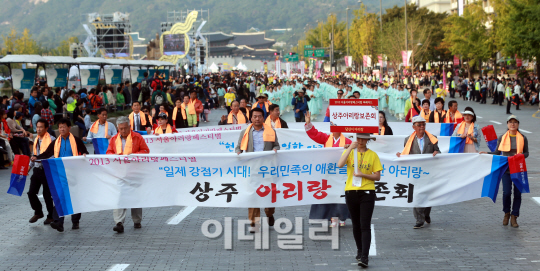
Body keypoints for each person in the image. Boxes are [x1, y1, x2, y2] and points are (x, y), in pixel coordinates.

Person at [33, 118, 88, 232]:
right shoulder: (56, 142)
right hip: (61, 173)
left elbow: (85, 152)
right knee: (60, 196)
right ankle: (59, 222)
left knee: (74, 197)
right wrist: (37, 157)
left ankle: (75, 221)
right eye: (60, 127)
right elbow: (47, 153)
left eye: (64, 127)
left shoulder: (76, 140)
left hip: (74, 173)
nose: (62, 129)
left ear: (69, 128)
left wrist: (84, 154)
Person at [337, 133, 382, 268]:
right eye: (358, 138)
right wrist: (350, 148)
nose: (361, 141)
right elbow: (340, 164)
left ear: (368, 140)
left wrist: (363, 175)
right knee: (356, 224)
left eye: (364, 139)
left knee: (365, 224)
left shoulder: (372, 155)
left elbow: (377, 176)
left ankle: (365, 257)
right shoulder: (350, 151)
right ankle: (359, 249)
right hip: (351, 191)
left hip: (367, 192)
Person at [235, 108, 279, 233]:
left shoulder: (271, 131)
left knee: (269, 193)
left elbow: (277, 145)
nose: (257, 119)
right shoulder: (245, 132)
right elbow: (238, 147)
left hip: (267, 168)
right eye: (255, 116)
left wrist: (275, 149)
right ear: (251, 118)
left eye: (259, 116)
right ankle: (254, 222)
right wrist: (238, 152)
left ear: (263, 117)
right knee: (252, 194)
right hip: (252, 168)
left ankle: (269, 213)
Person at [480, 115, 529, 228]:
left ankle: (514, 216)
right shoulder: (502, 137)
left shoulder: (523, 138)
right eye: (510, 122)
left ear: (518, 124)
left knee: (517, 194)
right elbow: (497, 152)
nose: (513, 124)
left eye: (515, 122)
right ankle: (506, 213)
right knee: (506, 193)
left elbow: (527, 153)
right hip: (506, 169)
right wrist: (486, 154)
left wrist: (520, 156)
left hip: (518, 169)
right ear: (507, 124)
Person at [305, 111, 351, 227]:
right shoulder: (326, 138)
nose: (334, 128)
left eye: (337, 126)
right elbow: (314, 134)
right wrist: (308, 123)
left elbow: (354, 152)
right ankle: (332, 217)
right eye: (333, 126)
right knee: (330, 195)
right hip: (329, 173)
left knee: (341, 195)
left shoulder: (348, 141)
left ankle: (342, 217)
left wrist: (349, 148)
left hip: (342, 173)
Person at [106, 116, 150, 233]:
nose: (124, 131)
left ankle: (137, 221)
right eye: (121, 129)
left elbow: (146, 151)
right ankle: (119, 222)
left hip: (135, 172)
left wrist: (134, 155)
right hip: (119, 172)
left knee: (135, 197)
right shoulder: (114, 139)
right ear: (118, 128)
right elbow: (108, 152)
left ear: (130, 127)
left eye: (125, 128)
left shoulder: (137, 137)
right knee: (119, 196)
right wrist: (114, 156)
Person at [396, 116, 440, 229]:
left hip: (428, 172)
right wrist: (399, 156)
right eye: (419, 125)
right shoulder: (408, 140)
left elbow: (438, 151)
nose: (422, 127)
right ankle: (419, 219)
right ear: (414, 127)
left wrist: (436, 152)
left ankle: (426, 213)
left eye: (423, 125)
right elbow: (406, 154)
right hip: (415, 173)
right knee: (416, 195)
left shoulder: (432, 138)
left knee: (428, 195)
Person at [27, 119, 55, 225]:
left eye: (41, 127)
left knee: (47, 195)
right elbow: (34, 155)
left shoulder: (52, 140)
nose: (38, 129)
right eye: (37, 127)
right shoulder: (36, 139)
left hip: (47, 170)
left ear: (46, 128)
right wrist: (29, 168)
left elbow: (52, 156)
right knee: (31, 192)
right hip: (37, 169)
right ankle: (38, 212)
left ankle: (50, 216)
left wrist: (37, 159)